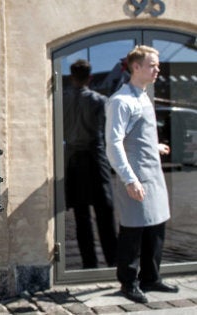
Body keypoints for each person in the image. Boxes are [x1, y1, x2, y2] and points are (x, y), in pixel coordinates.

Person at [105, 45, 178, 304]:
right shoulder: (120, 101)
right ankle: (129, 282)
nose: (157, 69)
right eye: (152, 65)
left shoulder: (144, 96)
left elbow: (134, 136)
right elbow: (113, 144)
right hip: (136, 177)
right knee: (133, 232)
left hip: (153, 173)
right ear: (136, 67)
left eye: (157, 65)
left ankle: (151, 277)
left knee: (155, 228)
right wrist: (129, 179)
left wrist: (154, 146)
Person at [63, 59, 117, 269]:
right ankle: (112, 260)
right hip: (95, 157)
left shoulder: (63, 100)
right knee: (105, 212)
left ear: (72, 76)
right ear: (90, 77)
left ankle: (89, 263)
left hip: (73, 160)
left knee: (81, 215)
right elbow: (107, 132)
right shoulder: (99, 100)